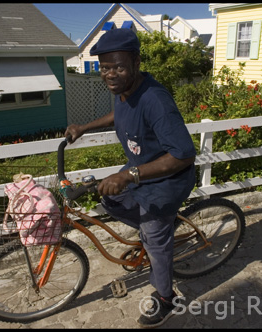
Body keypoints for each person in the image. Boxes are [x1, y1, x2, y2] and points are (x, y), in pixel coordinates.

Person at [64, 28, 196, 328]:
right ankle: (158, 231)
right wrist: (85, 127)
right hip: (142, 168)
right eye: (104, 67)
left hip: (168, 179)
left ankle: (166, 299)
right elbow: (118, 114)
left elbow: (184, 155)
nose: (110, 74)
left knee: (154, 235)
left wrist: (129, 174)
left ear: (136, 62)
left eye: (119, 67)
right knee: (108, 196)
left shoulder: (155, 100)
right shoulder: (124, 90)